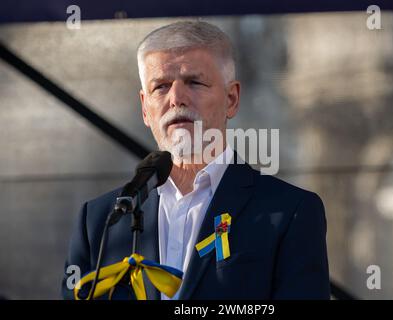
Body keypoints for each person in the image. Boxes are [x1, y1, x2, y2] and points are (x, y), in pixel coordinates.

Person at [61, 21, 330, 300]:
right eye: (161, 87)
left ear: (231, 99)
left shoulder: (289, 212)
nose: (176, 98)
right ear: (145, 108)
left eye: (194, 82)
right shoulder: (100, 221)